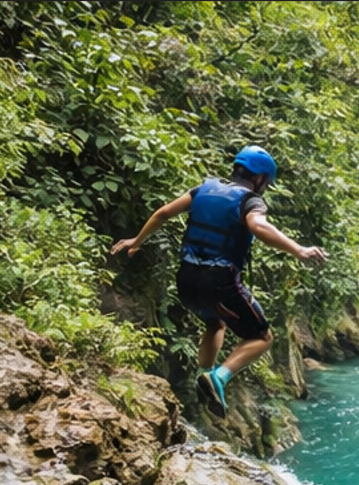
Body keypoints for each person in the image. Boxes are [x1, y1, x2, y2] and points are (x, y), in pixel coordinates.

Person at [110, 145, 328, 418]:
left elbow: (163, 213)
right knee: (261, 337)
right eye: (266, 183)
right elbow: (259, 226)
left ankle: (204, 376)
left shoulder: (203, 189)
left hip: (186, 280)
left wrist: (136, 240)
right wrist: (299, 250)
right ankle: (220, 377)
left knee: (215, 322)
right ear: (260, 178)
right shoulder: (251, 201)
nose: (265, 187)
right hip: (220, 281)